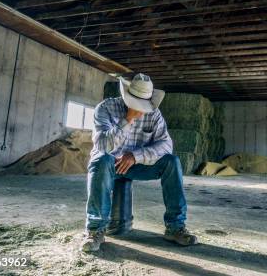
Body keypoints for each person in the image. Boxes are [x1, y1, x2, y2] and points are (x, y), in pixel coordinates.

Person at [81, 73, 197, 252]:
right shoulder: (105, 108)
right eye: (137, 105)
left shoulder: (154, 114)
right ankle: (95, 230)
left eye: (143, 105)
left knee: (172, 162)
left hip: (137, 164)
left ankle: (175, 227)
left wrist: (136, 156)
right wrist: (127, 120)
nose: (141, 110)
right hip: (110, 163)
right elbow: (103, 145)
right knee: (101, 160)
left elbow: (166, 145)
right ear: (126, 96)